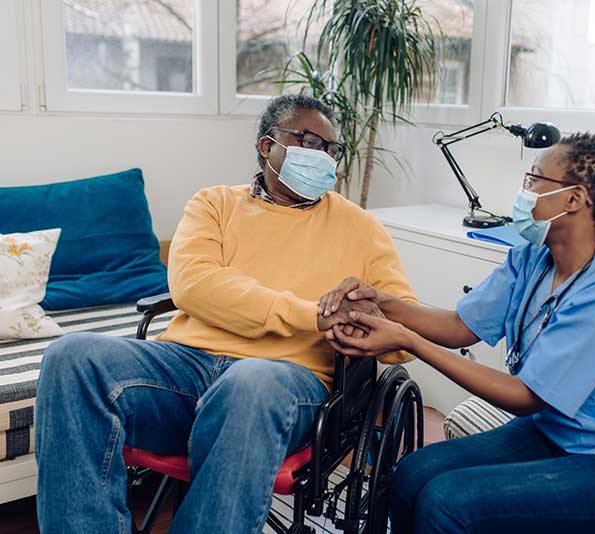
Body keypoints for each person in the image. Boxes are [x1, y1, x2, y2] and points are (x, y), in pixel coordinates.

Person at [34, 95, 415, 534]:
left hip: (285, 381)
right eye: (309, 141)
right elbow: (195, 285)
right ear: (267, 146)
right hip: (186, 370)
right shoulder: (214, 204)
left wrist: (374, 327)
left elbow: (402, 328)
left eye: (331, 150)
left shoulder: (362, 229)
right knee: (69, 356)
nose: (323, 157)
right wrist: (311, 314)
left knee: (251, 381)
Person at [320, 133, 595, 533]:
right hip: (557, 433)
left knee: (447, 503)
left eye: (534, 180)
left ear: (575, 198)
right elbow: (460, 327)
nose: (523, 191)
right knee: (412, 472)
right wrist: (383, 301)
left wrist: (406, 339)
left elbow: (524, 397)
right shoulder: (532, 256)